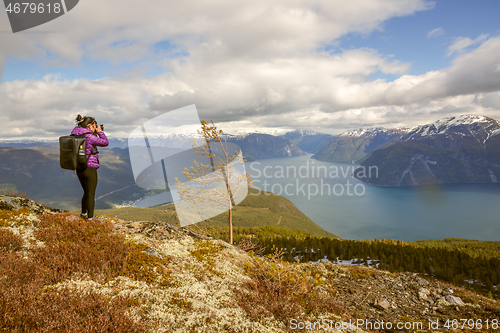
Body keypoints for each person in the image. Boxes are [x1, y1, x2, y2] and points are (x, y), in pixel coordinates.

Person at [71, 114, 109, 221]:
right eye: (94, 125)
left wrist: (94, 132)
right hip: (90, 167)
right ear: (89, 126)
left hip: (79, 168)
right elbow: (105, 142)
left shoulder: (75, 135)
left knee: (86, 192)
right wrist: (100, 132)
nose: (95, 127)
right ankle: (91, 218)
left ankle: (83, 214)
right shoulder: (89, 136)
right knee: (91, 193)